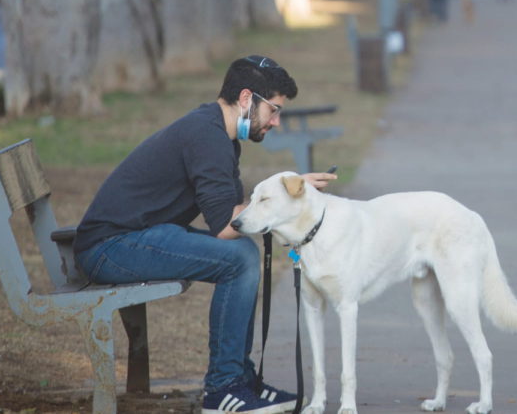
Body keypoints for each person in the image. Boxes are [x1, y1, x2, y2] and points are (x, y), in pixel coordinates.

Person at [73, 56, 338, 414]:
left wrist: (288, 193)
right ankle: (222, 389)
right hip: (109, 247)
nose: (276, 121)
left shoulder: (221, 137)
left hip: (134, 236)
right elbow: (227, 227)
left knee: (242, 254)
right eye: (273, 110)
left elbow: (233, 215)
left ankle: (241, 382)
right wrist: (286, 195)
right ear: (247, 98)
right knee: (239, 258)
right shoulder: (208, 137)